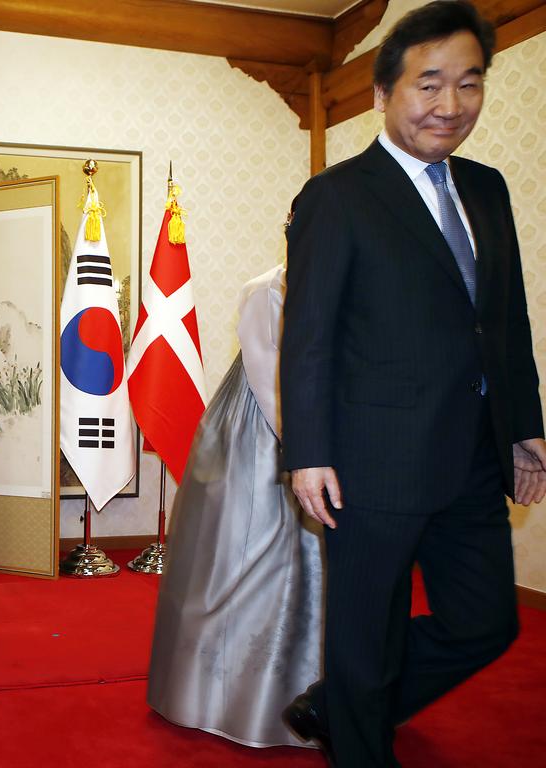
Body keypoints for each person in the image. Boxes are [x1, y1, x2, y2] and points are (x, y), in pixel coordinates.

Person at [279, 3, 546, 765]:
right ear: (382, 95)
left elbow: (504, 320)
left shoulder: (488, 190)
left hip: (473, 458)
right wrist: (310, 452)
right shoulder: (338, 196)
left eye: (469, 84)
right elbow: (311, 335)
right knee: (366, 638)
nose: (450, 105)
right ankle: (359, 737)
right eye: (428, 85)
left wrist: (523, 426)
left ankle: (338, 708)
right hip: (370, 463)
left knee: (486, 622)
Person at [148, 262, 324, 748]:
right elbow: (268, 379)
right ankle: (221, 695)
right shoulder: (264, 289)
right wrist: (305, 445)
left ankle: (315, 691)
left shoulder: (335, 278)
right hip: (260, 434)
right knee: (245, 555)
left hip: (313, 425)